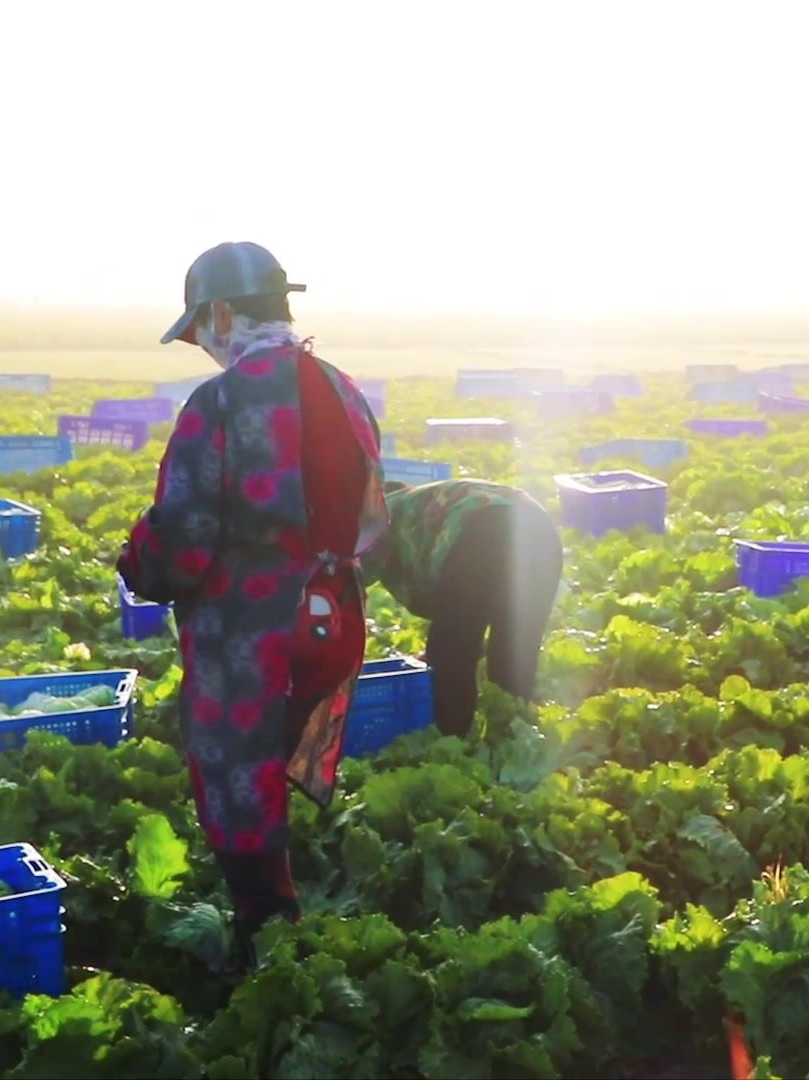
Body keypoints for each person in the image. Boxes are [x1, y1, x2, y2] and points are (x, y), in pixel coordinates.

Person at [117, 241, 388, 967]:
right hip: (330, 615)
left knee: (240, 774)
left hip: (249, 634)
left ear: (225, 314)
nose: (202, 346)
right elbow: (367, 509)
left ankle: (269, 941)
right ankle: (280, 915)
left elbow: (185, 534)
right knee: (278, 760)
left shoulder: (221, 402)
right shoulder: (340, 386)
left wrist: (137, 563)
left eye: (203, 327)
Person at [359, 478, 564, 739]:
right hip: (541, 532)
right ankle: (512, 742)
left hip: (483, 532)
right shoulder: (426, 498)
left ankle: (452, 740)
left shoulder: (383, 509)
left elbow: (351, 578)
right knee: (514, 656)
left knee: (452, 653)